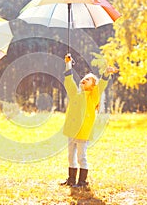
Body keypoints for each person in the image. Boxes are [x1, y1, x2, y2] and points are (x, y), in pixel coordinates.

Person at [60, 53, 118, 191]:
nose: (84, 80)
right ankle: (71, 179)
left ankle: (82, 181)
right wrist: (68, 64)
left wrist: (106, 73)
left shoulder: (93, 97)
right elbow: (69, 81)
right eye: (84, 78)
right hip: (71, 130)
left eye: (88, 79)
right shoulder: (75, 93)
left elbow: (101, 85)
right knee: (70, 156)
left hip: (83, 132)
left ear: (93, 86)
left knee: (81, 157)